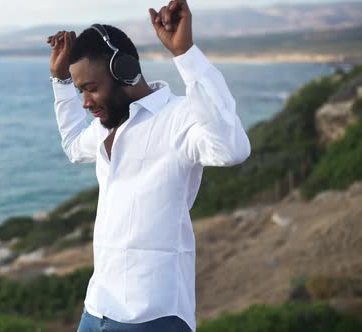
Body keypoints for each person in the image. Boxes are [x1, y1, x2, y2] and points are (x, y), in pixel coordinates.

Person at [46, 1, 250, 331]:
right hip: (95, 310)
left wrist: (185, 53)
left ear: (124, 71)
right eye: (81, 90)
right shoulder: (104, 127)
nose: (85, 102)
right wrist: (61, 83)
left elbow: (231, 149)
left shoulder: (180, 117)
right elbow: (73, 147)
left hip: (155, 316)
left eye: (91, 88)